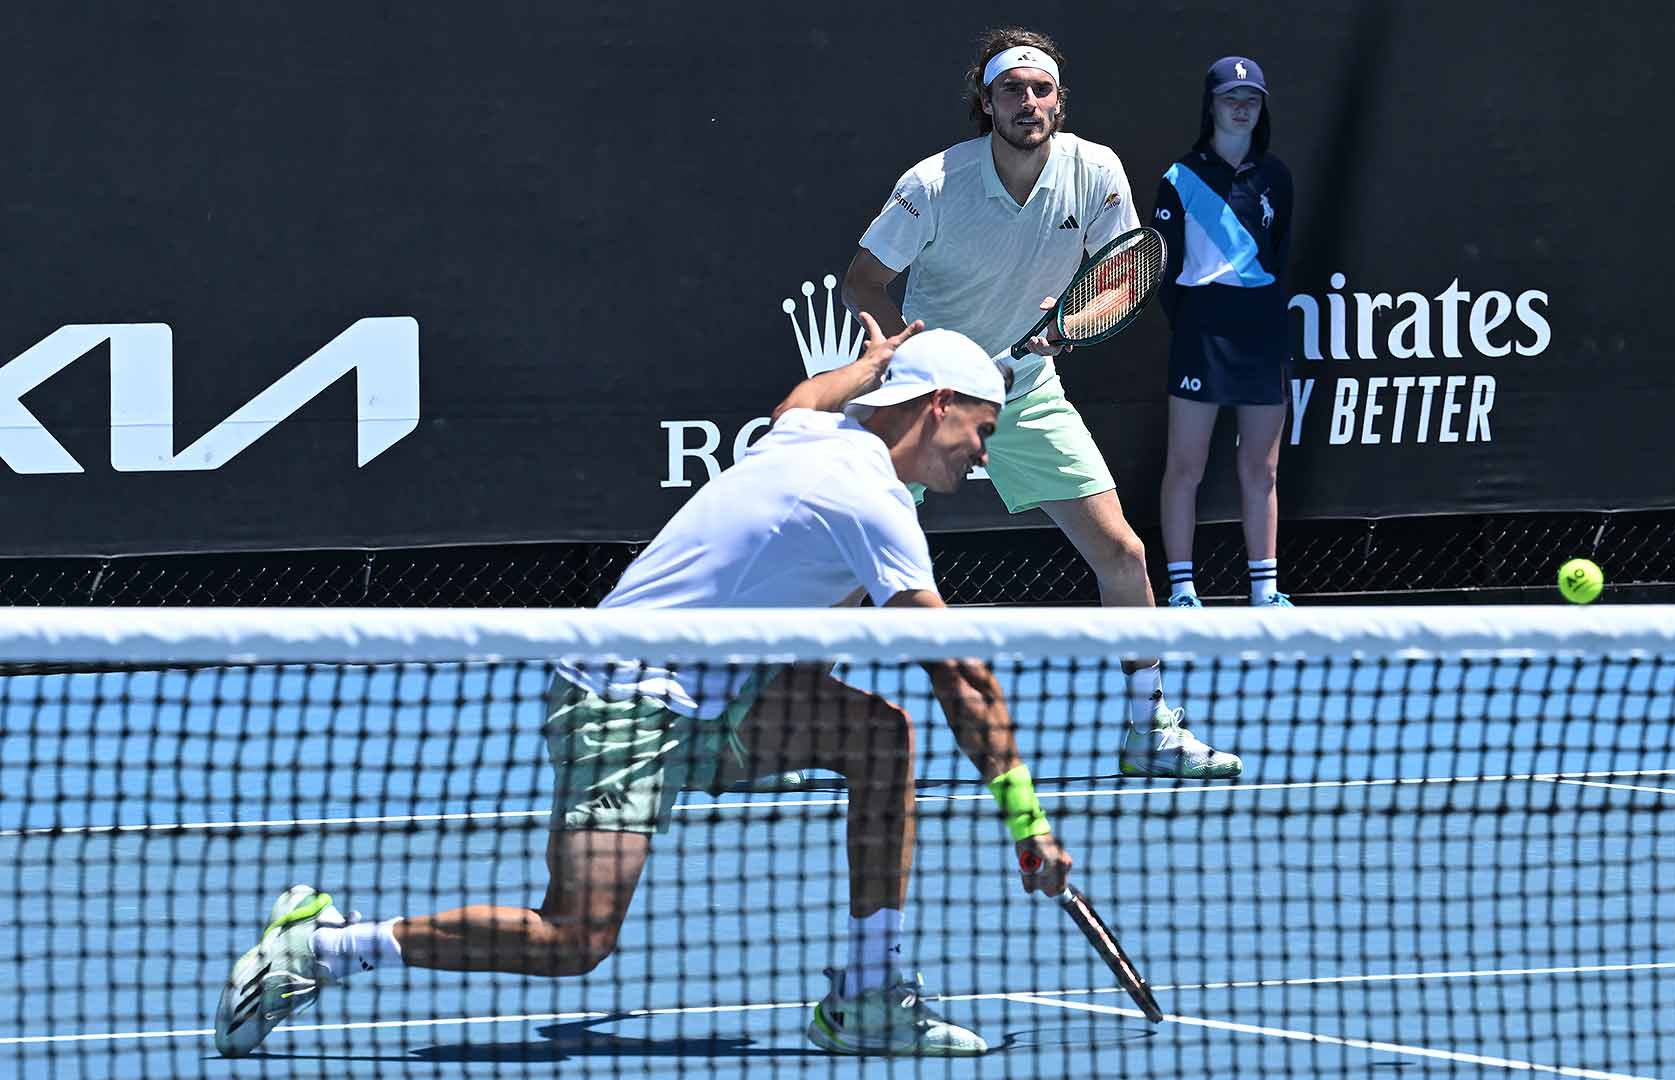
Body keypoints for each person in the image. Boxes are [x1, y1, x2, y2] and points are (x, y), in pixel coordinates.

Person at [211, 322, 1073, 1059]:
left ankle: (870, 996)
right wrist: (1028, 823)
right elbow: (962, 674)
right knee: (575, 939)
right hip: (625, 698)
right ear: (937, 407)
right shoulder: (869, 499)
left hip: (717, 695)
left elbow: (801, 399)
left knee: (879, 739)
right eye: (982, 429)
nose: (983, 453)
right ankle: (326, 947)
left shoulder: (815, 438)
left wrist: (869, 364)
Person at [842, 26, 1242, 780]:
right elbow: (862, 280)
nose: (1029, 102)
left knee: (1122, 553)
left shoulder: (1095, 171)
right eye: (1011, 90)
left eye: (1042, 89)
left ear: (1058, 101)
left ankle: (1148, 727)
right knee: (853, 561)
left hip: (1026, 393)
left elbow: (1123, 276)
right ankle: (792, 710)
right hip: (924, 404)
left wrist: (1067, 329)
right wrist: (921, 364)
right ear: (985, 102)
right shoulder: (933, 184)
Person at [1150, 56, 1296, 610]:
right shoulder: (1179, 178)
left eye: (1251, 99)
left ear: (1261, 109)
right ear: (1211, 105)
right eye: (1231, 98)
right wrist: (1193, 319)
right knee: (1185, 465)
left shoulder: (1276, 177)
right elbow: (1159, 269)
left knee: (1261, 467)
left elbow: (1279, 254)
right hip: (1202, 327)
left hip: (1261, 328)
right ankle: (1184, 589)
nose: (1241, 107)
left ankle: (1265, 590)